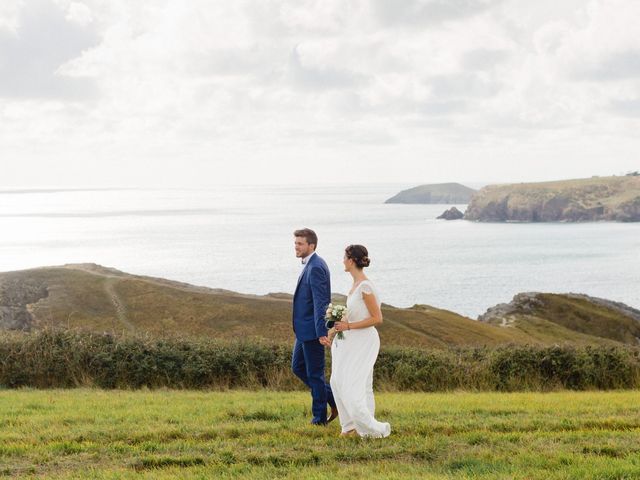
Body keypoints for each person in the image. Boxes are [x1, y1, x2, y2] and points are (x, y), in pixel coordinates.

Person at [322, 244, 391, 437]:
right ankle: (349, 426)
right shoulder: (353, 286)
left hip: (363, 341)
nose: (342, 261)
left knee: (356, 384)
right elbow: (350, 317)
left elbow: (377, 319)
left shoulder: (365, 287)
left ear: (352, 260)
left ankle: (370, 429)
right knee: (337, 381)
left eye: (344, 257)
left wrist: (349, 327)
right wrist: (333, 331)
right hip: (349, 341)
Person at [291, 228, 338, 425]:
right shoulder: (309, 264)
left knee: (315, 375)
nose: (296, 247)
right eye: (295, 243)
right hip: (303, 331)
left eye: (300, 244)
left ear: (312, 245)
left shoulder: (316, 267)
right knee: (298, 368)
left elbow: (321, 302)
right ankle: (336, 402)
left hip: (313, 332)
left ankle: (319, 419)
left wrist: (322, 332)